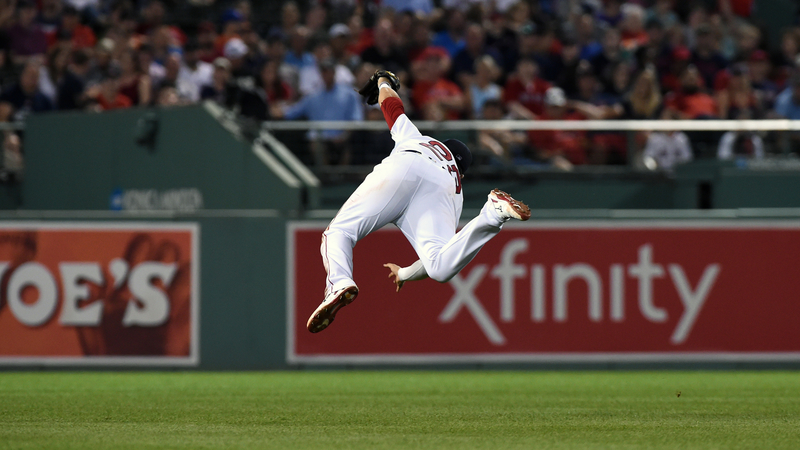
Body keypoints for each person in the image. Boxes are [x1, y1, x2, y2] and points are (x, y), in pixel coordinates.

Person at [306, 71, 531, 333]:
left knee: (340, 231)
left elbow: (392, 107)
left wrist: (382, 82)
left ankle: (340, 282)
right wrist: (404, 274)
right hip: (440, 192)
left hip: (407, 163)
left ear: (444, 146)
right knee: (440, 267)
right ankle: (492, 214)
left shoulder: (422, 139)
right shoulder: (456, 190)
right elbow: (438, 258)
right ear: (462, 170)